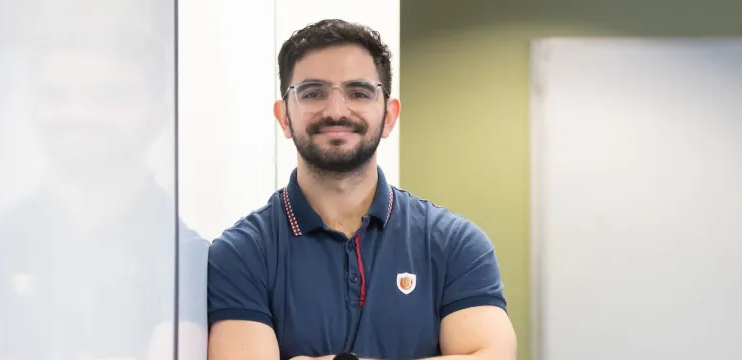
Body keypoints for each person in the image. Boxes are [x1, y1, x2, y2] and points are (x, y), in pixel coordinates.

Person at [206, 19, 517, 360]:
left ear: (389, 116)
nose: (336, 111)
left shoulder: (455, 244)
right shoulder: (242, 253)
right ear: (284, 117)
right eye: (312, 93)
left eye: (358, 92)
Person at [0, 1, 208, 358]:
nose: (79, 113)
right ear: (33, 108)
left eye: (109, 96)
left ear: (159, 114)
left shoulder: (187, 262)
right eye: (57, 95)